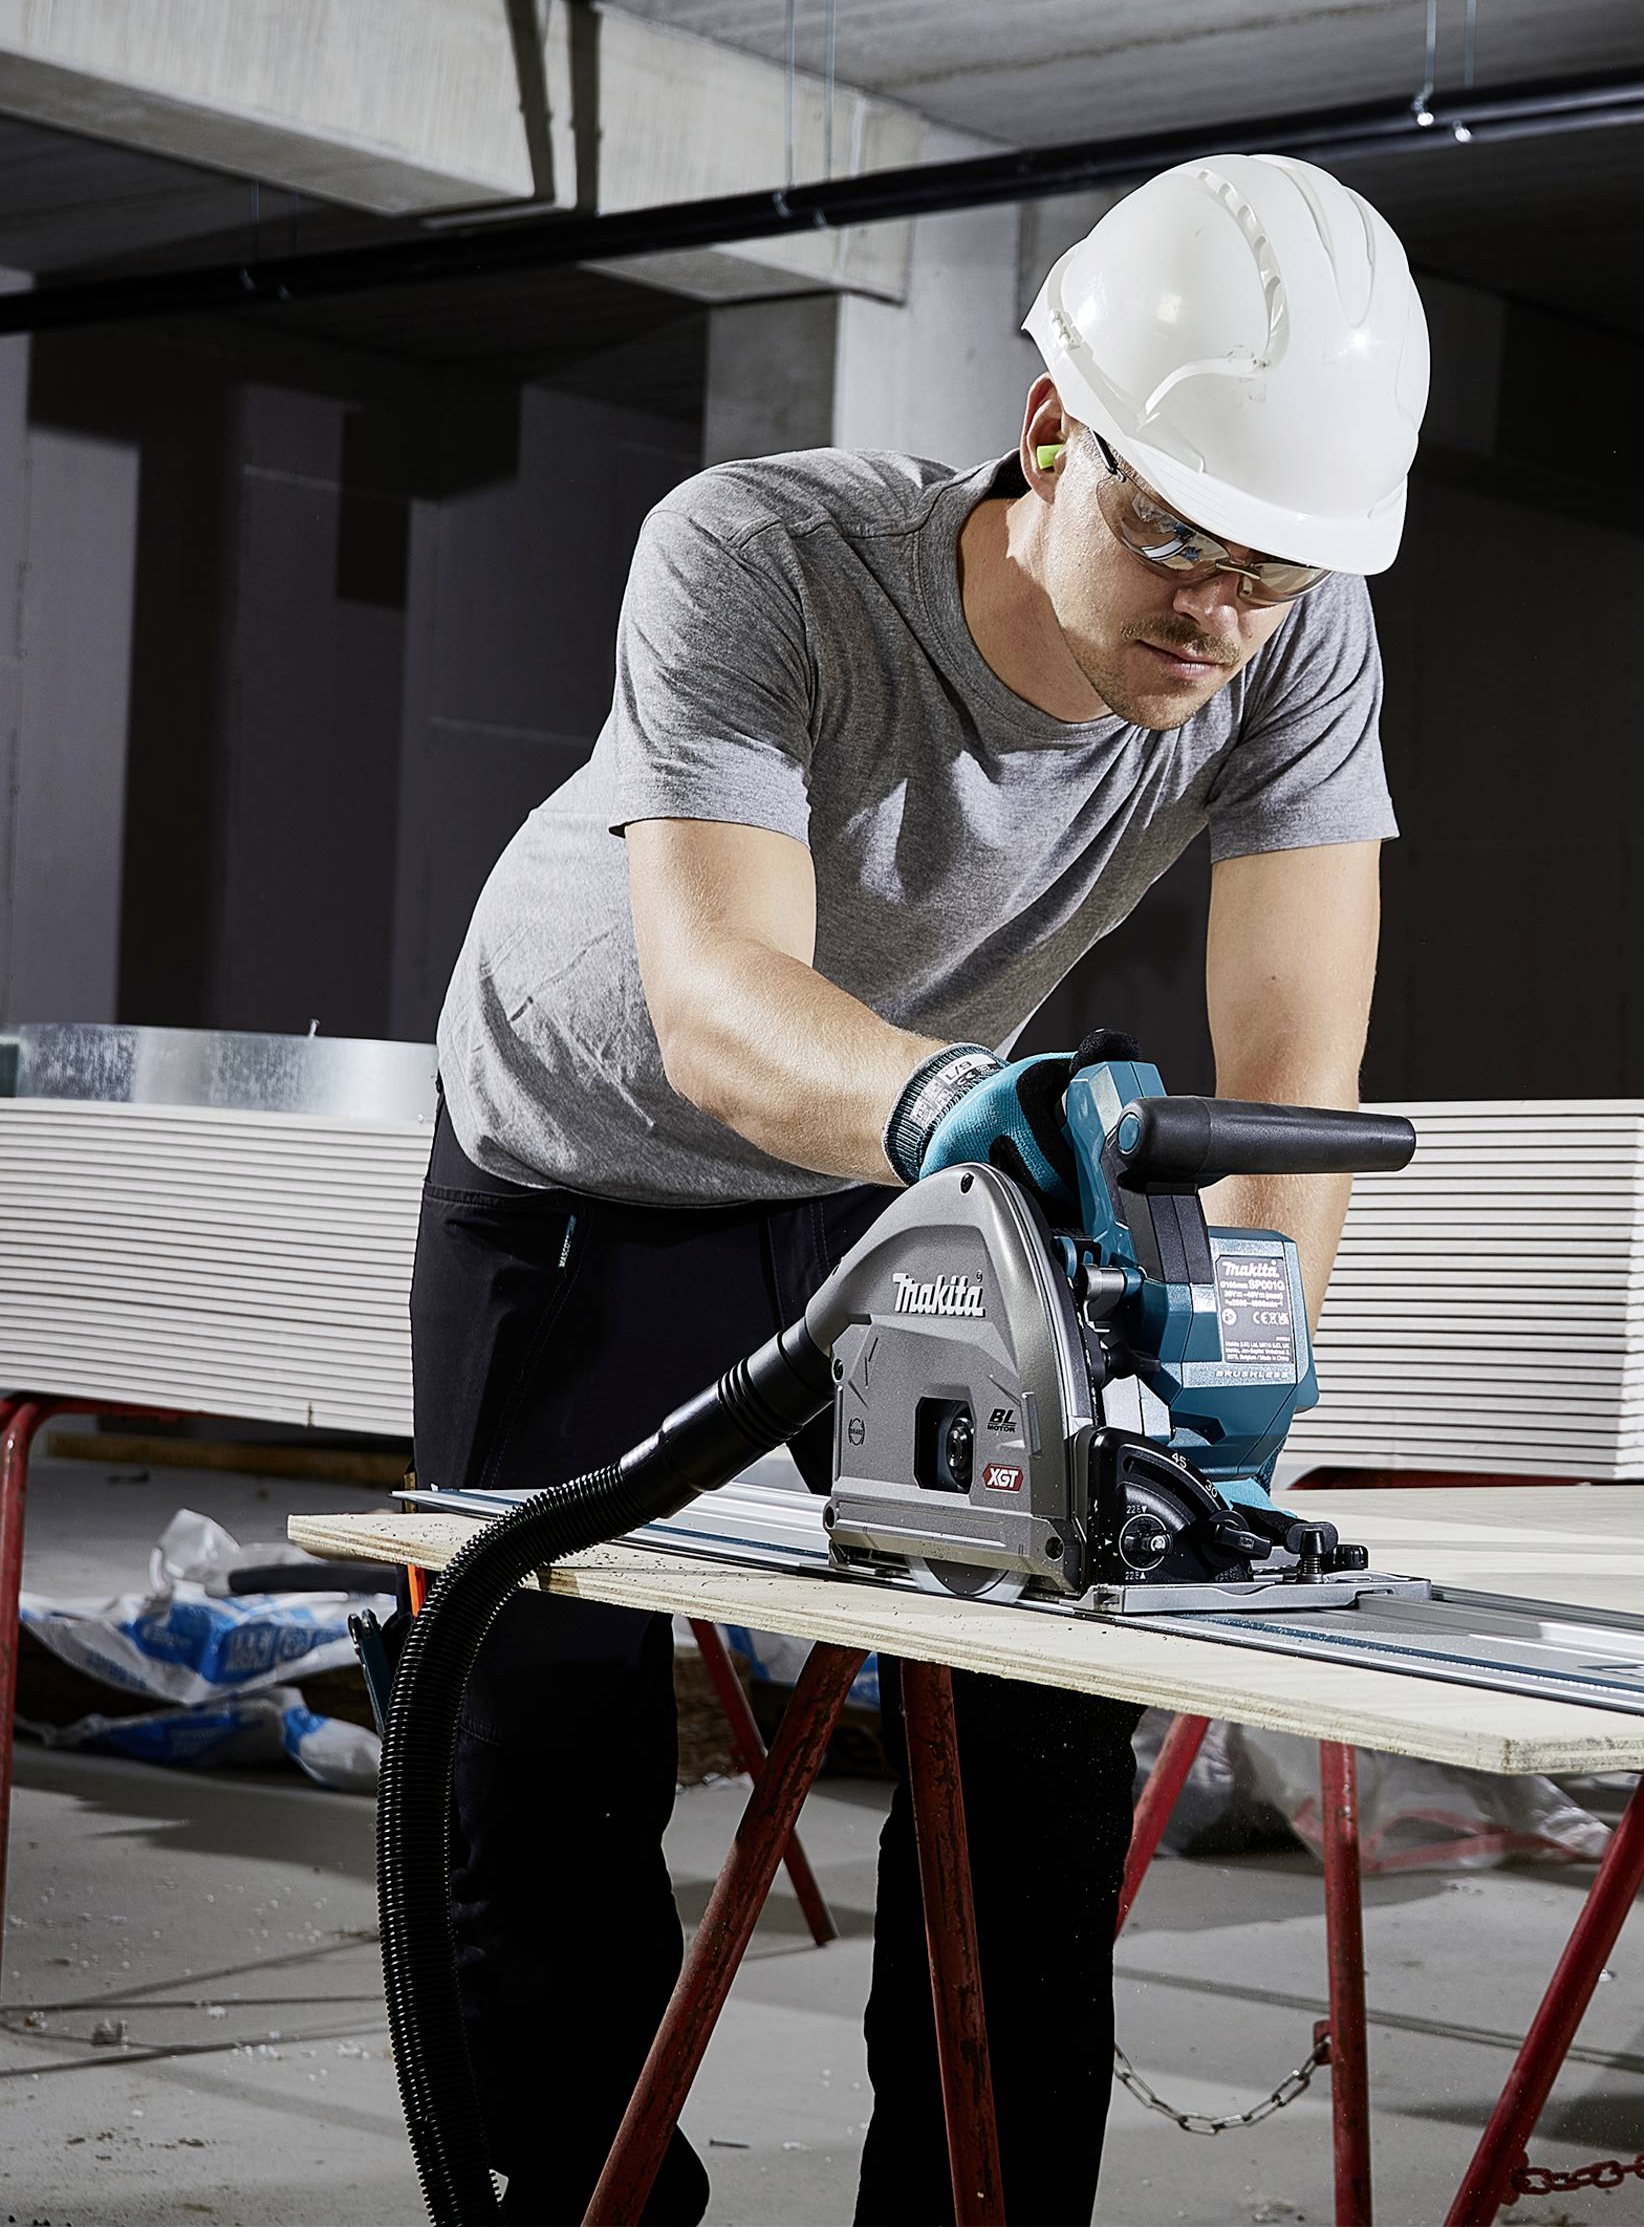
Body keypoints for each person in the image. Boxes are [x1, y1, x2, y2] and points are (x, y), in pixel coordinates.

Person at [410, 152, 1429, 2224]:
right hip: (592, 1153)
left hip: (907, 1161)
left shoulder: (1288, 632)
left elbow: (1294, 1064)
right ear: (1056, 431)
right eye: (1172, 543)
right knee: (543, 1726)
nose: (1211, 618)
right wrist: (965, 1106)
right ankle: (582, 2204)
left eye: (1269, 579)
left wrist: (1246, 1375)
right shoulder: (760, 556)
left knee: (1039, 1699)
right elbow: (714, 1006)